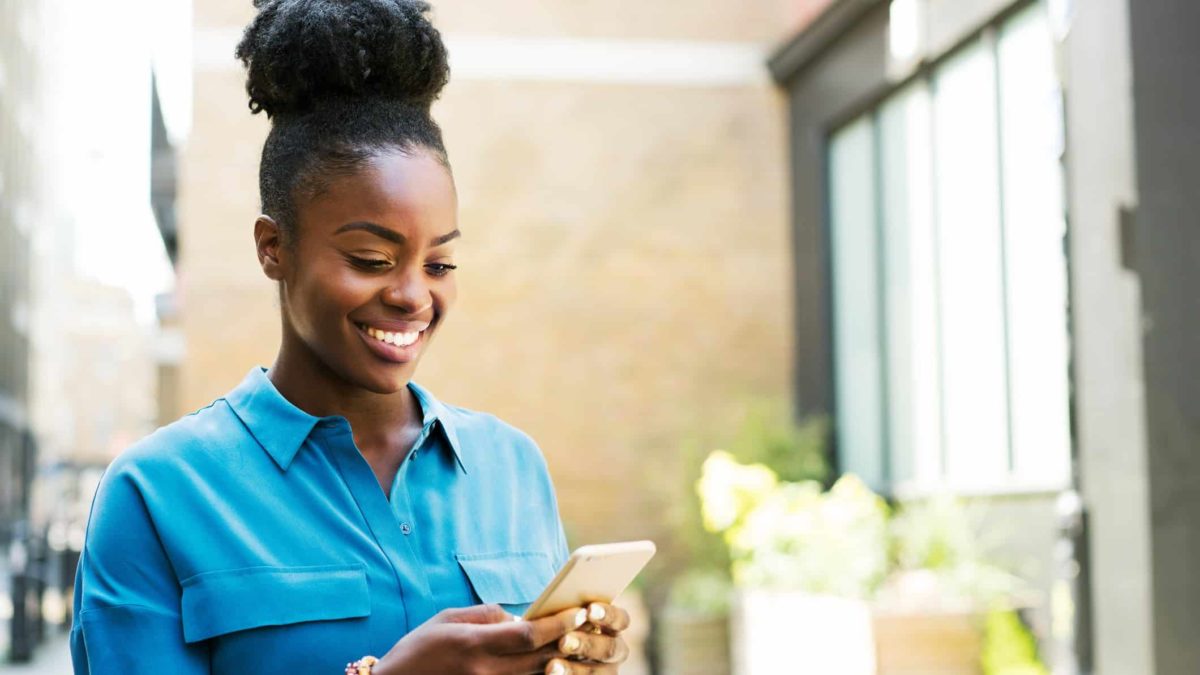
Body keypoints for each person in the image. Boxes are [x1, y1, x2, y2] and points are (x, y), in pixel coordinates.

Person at [68, 1, 632, 672]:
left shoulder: (512, 469)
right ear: (274, 247)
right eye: (371, 259)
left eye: (441, 263)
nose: (413, 294)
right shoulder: (158, 493)